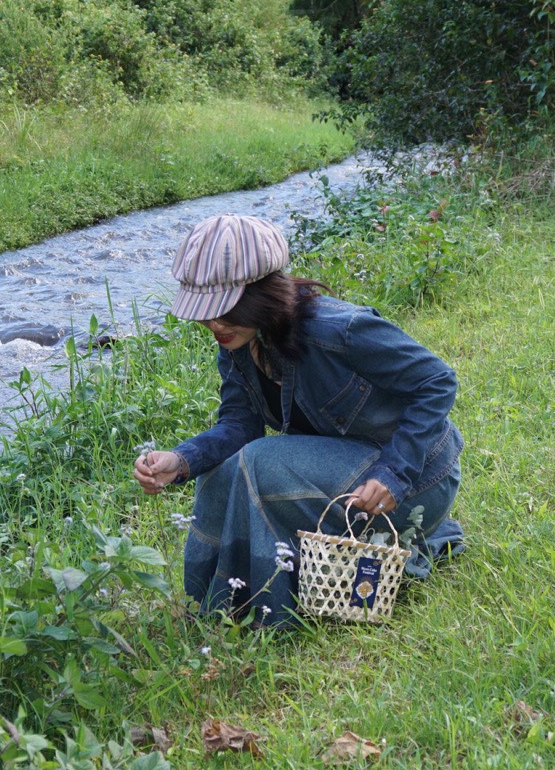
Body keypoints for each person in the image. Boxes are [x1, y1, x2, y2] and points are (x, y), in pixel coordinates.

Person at [133, 212, 464, 626]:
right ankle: (214, 608)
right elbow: (240, 424)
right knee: (219, 471)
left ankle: (266, 615)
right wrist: (180, 460)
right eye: (205, 312)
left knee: (260, 461)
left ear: (261, 294)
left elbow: (437, 381)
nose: (213, 324)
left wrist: (394, 473)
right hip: (347, 472)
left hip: (417, 479)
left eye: (224, 309)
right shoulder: (239, 342)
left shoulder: (340, 329)